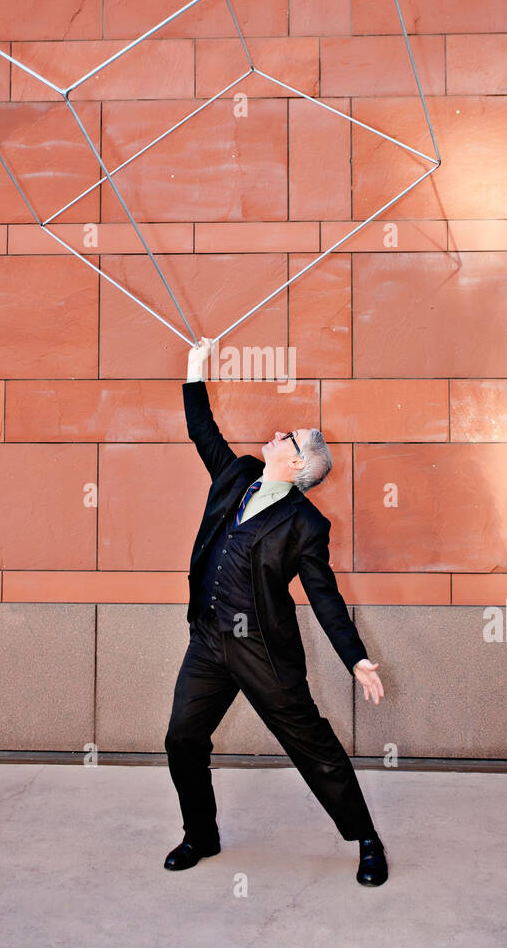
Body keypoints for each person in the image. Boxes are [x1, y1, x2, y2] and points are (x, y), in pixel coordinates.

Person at [163, 336, 388, 886]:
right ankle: (202, 834)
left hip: (262, 650)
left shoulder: (306, 525)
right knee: (182, 739)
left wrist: (356, 658)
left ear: (297, 463)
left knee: (312, 746)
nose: (276, 434)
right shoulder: (236, 474)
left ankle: (365, 838)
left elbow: (326, 594)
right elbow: (202, 431)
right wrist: (195, 369)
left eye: (286, 437)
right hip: (209, 640)